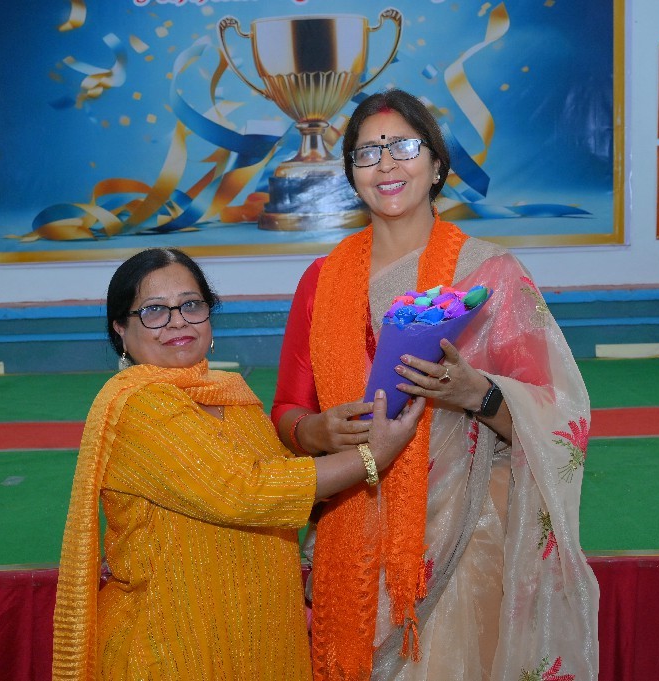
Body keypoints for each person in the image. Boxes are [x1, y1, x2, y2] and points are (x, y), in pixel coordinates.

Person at [272, 89, 599, 681]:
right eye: (368, 153)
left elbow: (559, 413)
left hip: (465, 537)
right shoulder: (322, 280)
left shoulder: (489, 276)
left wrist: (479, 394)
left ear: (437, 165)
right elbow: (289, 409)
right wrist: (316, 430)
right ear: (351, 174)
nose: (386, 164)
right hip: (351, 531)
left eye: (403, 147)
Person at [51, 247, 425, 681]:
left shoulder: (229, 394)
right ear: (121, 328)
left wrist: (327, 434)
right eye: (154, 311)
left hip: (256, 641)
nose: (177, 321)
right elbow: (244, 491)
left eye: (190, 305)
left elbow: (288, 488)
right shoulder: (137, 405)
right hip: (170, 648)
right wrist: (371, 457)